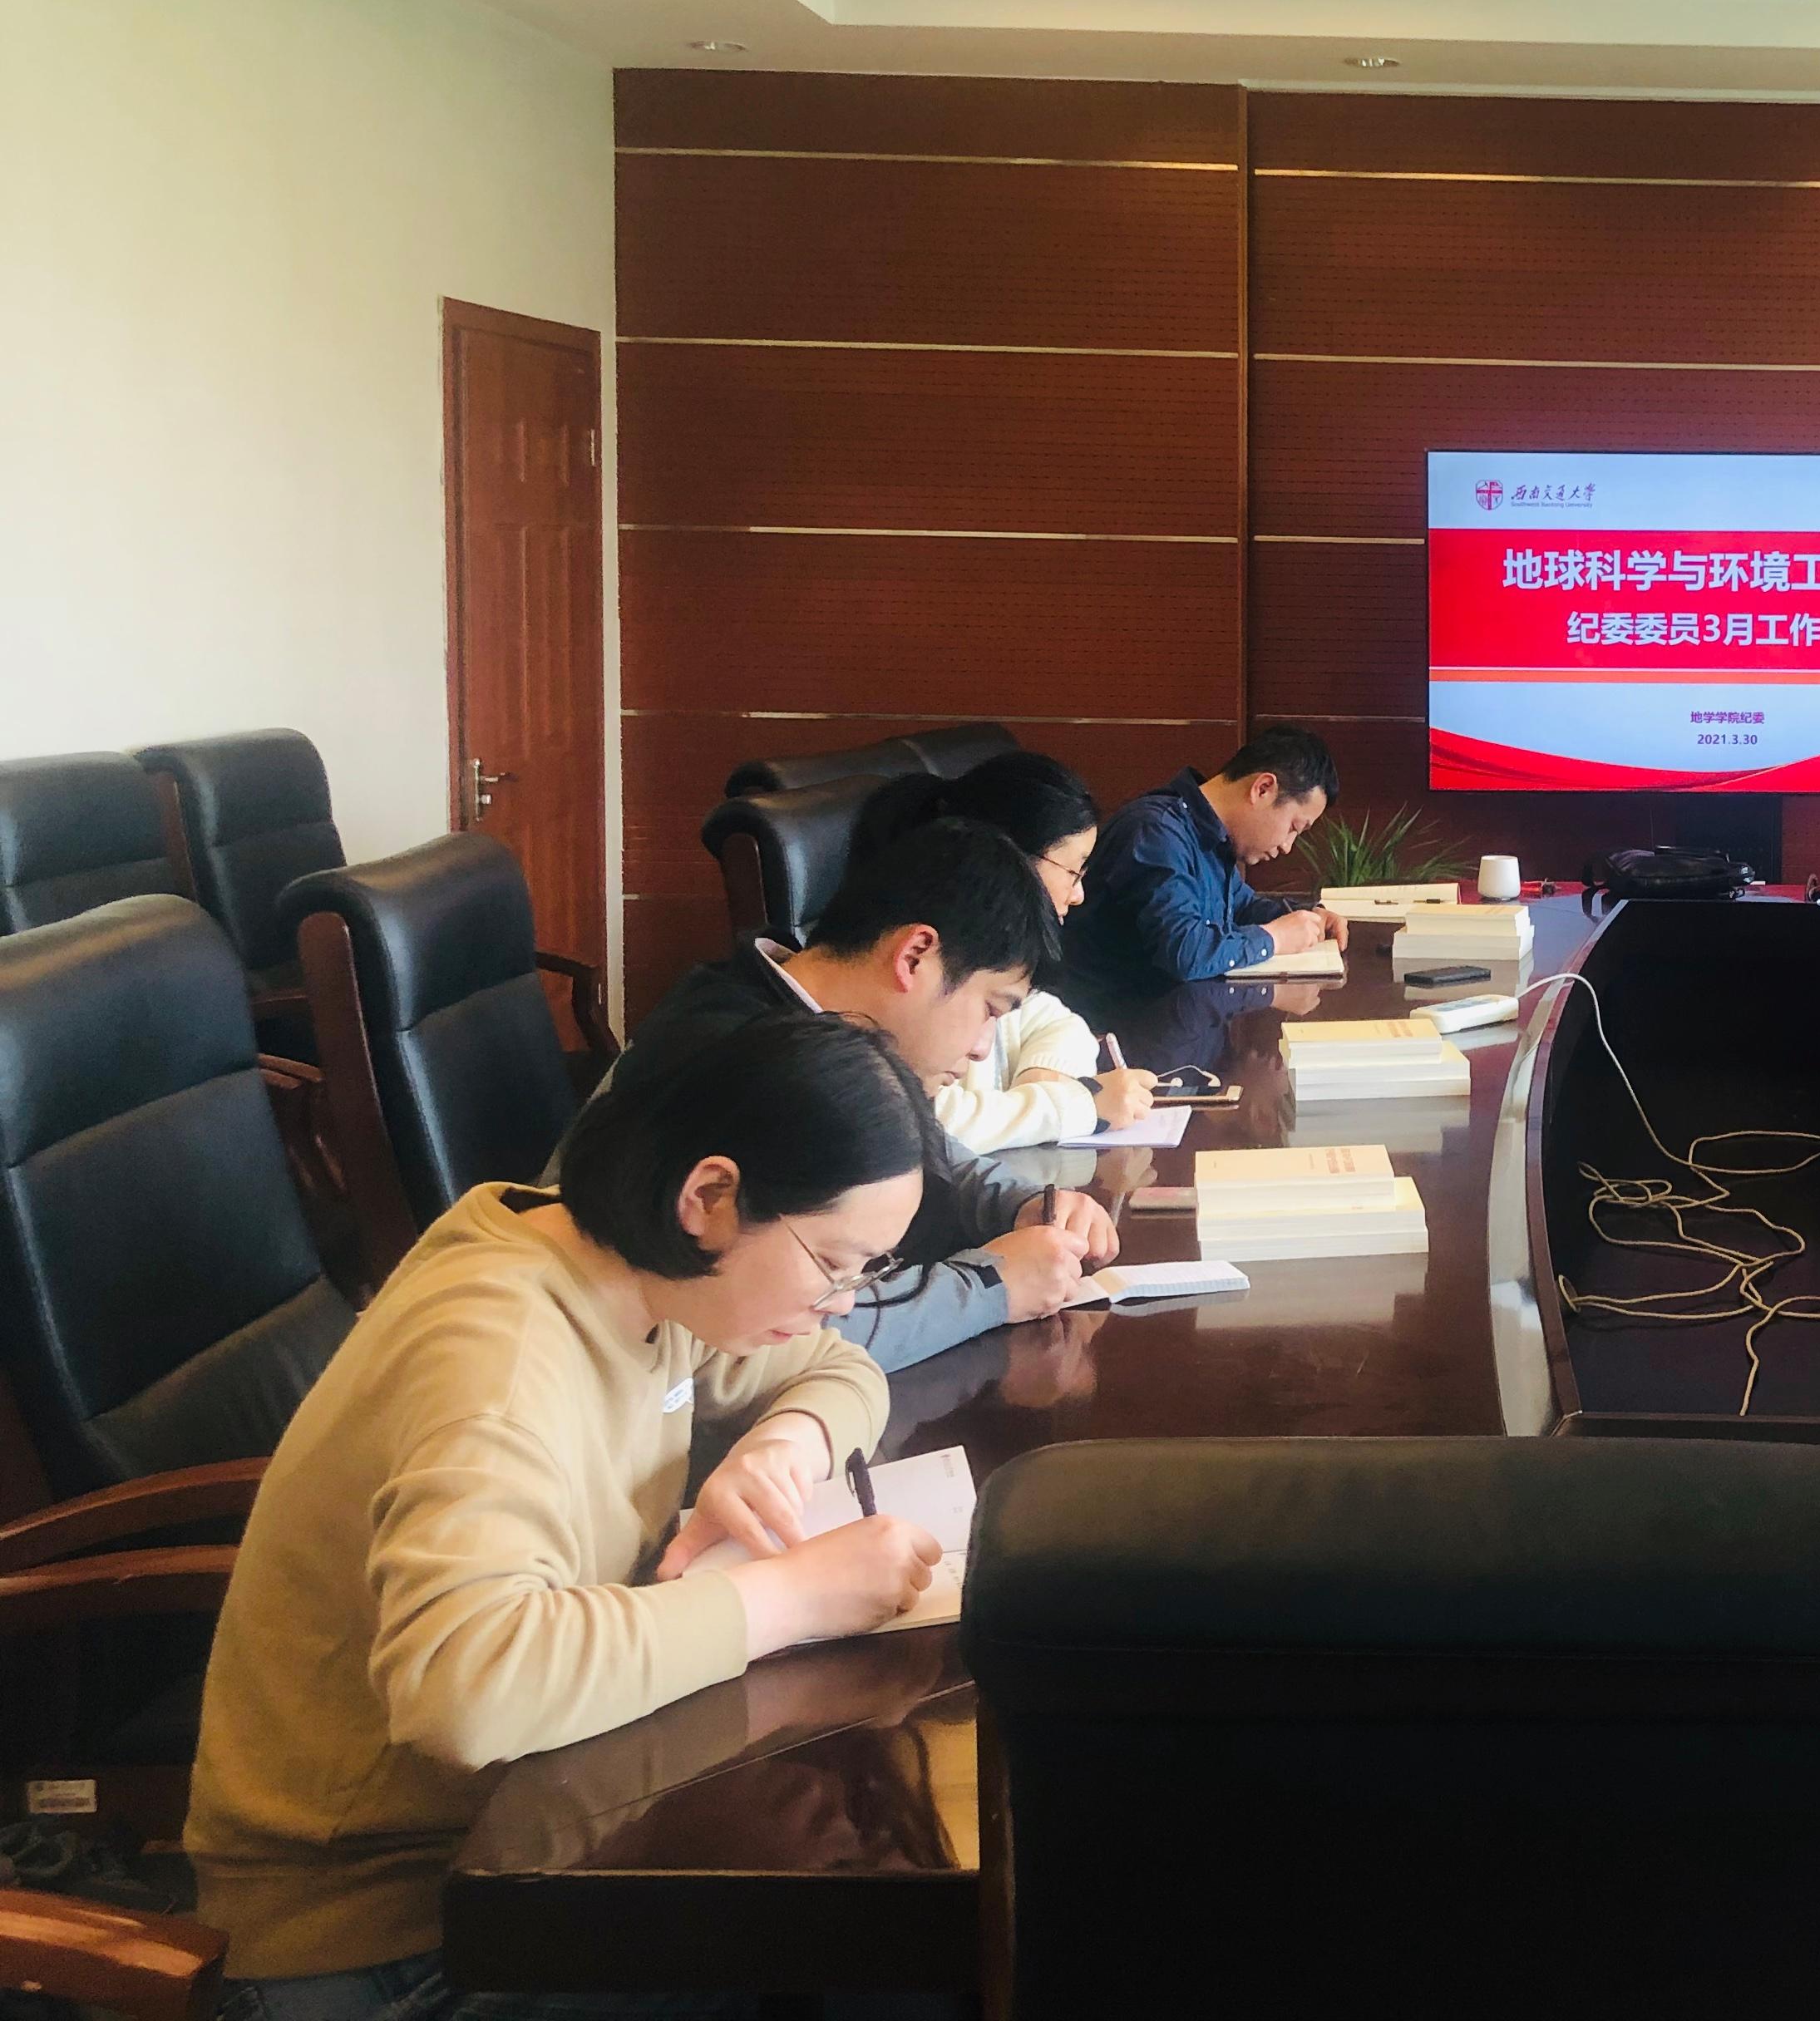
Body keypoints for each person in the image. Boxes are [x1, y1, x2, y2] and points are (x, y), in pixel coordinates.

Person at [188, 1015, 950, 2015]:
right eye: (836, 1264)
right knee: (867, 1969)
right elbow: (470, 1691)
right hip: (381, 1926)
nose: (843, 1301)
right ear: (709, 1197)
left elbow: (843, 1371)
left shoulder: (644, 1278)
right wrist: (792, 1598)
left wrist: (785, 1444)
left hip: (532, 1825)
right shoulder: (501, 1358)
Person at [585, 816, 1117, 1368]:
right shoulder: (738, 1056)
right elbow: (771, 1331)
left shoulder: (806, 1022)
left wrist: (1022, 1203)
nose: (984, 1048)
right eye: (990, 1009)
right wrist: (991, 1287)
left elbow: (914, 1151)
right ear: (914, 955)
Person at [849, 755, 1158, 1153]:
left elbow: (1057, 1021)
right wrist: (1072, 1107)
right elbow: (919, 1124)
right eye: (1074, 871)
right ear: (1011, 855)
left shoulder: (982, 954)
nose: (1079, 894)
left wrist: (1041, 1088)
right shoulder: (928, 959)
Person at [1058, 725, 1349, 1009]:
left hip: (1172, 1021)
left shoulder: (1210, 836)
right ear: (1263, 789)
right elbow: (1185, 952)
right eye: (1294, 827)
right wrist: (1276, 938)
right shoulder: (1156, 832)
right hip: (1118, 1028)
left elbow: (1242, 907)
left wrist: (1307, 918)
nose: (1288, 846)